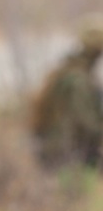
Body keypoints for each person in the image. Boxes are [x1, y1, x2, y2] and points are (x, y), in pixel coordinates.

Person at [30, 16, 103, 170]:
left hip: (59, 150)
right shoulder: (77, 80)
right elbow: (87, 124)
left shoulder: (71, 69)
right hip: (64, 155)